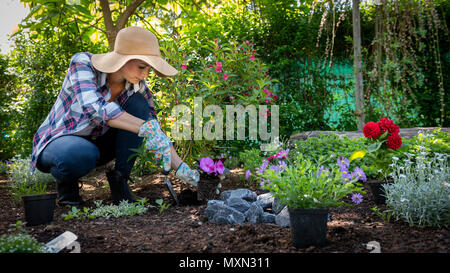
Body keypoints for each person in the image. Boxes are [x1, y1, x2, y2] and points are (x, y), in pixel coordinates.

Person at [30, 26, 200, 205]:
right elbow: (95, 109)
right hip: (60, 142)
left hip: (98, 145)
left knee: (139, 104)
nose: (145, 74)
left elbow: (153, 128)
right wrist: (146, 128)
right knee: (80, 154)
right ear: (122, 59)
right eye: (142, 67)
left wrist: (181, 168)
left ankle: (120, 185)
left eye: (149, 69)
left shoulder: (137, 87)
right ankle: (68, 191)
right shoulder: (83, 64)